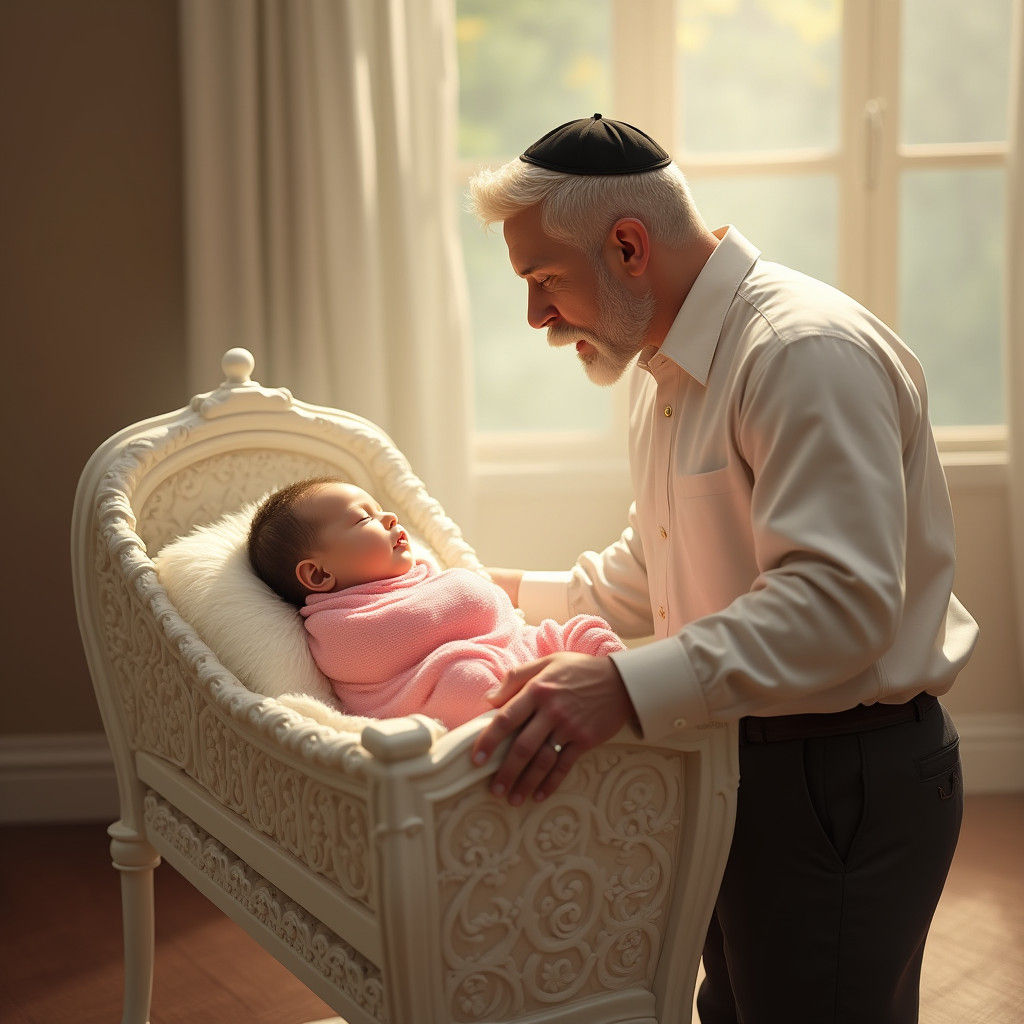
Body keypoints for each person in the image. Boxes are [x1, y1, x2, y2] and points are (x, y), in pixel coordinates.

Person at [465, 114, 978, 1023]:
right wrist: (482, 587)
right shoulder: (664, 371)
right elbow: (654, 569)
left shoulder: (798, 353)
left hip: (840, 781)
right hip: (744, 764)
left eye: (544, 280)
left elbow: (838, 606)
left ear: (628, 245)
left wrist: (621, 687)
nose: (537, 315)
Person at [246, 477, 624, 729]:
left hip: (518, 646)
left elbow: (480, 608)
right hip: (456, 687)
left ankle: (624, 680)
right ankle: (537, 717)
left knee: (583, 630)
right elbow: (420, 626)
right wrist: (467, 590)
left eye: (379, 508)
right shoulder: (335, 628)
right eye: (364, 519)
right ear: (317, 576)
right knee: (466, 680)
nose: (389, 517)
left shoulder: (419, 572)